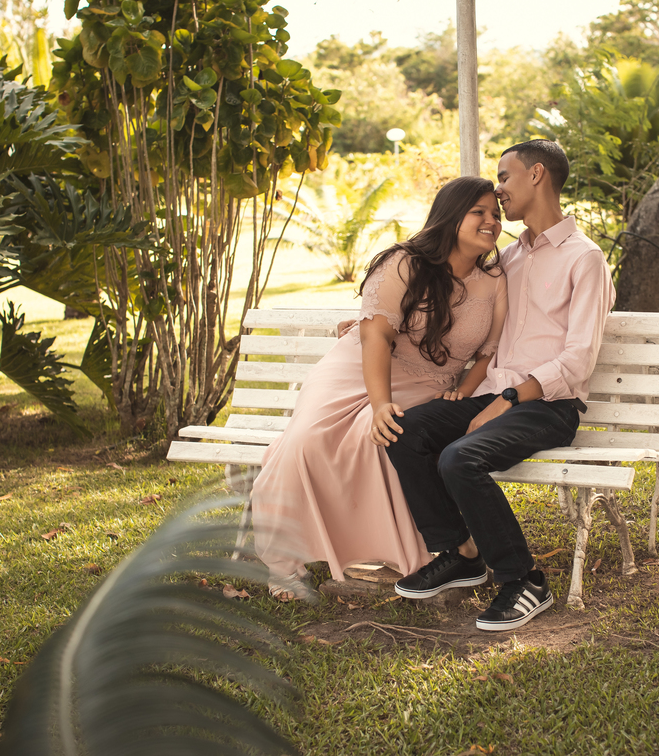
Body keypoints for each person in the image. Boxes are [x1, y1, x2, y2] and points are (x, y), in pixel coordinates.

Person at [380, 140, 614, 631]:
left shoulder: (584, 258)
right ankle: (463, 554)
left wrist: (510, 398)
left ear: (536, 175)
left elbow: (579, 357)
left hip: (548, 403)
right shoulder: (508, 256)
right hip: (492, 395)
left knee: (459, 457)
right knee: (407, 430)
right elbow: (459, 306)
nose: (499, 190)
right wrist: (380, 322)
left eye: (504, 178)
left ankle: (524, 579)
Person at [251, 176, 508, 601]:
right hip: (359, 369)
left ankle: (413, 553)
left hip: (428, 386)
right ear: (450, 215)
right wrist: (379, 403)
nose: (491, 222)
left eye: (496, 214)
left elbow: (487, 354)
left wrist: (464, 389)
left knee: (387, 442)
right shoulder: (404, 263)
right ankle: (287, 563)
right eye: (478, 212)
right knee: (306, 442)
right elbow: (376, 338)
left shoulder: (495, 282)